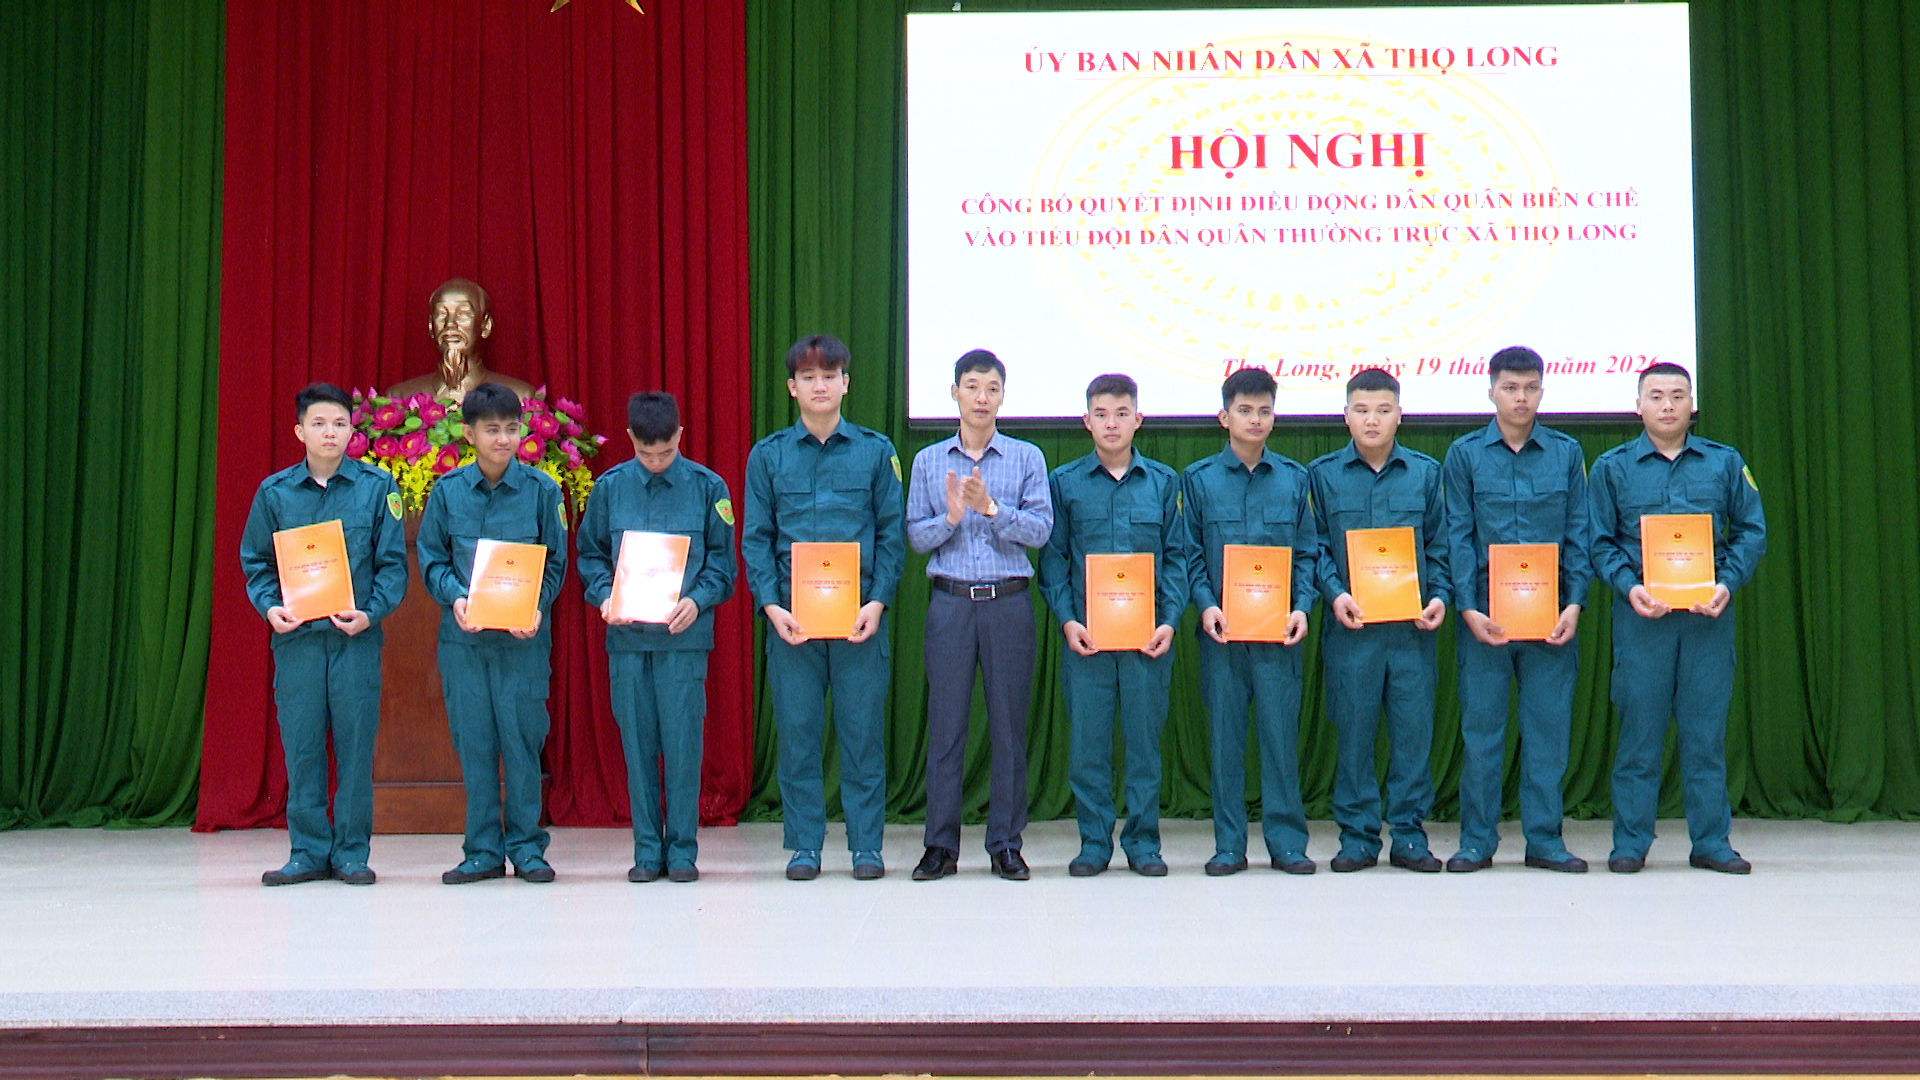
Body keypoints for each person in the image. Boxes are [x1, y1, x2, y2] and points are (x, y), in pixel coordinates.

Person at [1588, 362, 1765, 874]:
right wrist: (1631, 587)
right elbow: (1599, 542)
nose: (1667, 405)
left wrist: (1727, 583)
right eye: (1656, 396)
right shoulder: (1612, 468)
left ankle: (1711, 842)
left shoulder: (1725, 463)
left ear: (1693, 405)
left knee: (1705, 737)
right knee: (1639, 736)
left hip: (1707, 619)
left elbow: (1751, 532)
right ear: (1637, 406)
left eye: (1677, 395)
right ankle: (1630, 843)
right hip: (1643, 619)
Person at [742, 334, 905, 881]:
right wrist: (771, 606)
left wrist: (878, 602)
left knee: (862, 738)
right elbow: (756, 540)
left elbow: (891, 536)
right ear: (792, 387)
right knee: (798, 736)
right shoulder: (768, 456)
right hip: (794, 624)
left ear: (846, 383)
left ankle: (866, 847)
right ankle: (804, 846)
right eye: (808, 377)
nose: (820, 386)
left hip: (860, 621)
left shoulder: (876, 451)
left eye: (829, 376)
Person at [239, 383, 408, 887]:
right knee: (303, 747)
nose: (329, 433)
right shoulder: (274, 493)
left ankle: (352, 852)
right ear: (300, 432)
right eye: (318, 424)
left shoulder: (377, 488)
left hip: (354, 641)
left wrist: (370, 614)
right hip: (298, 643)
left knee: (355, 750)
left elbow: (393, 566)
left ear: (352, 430)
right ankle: (308, 851)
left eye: (339, 423)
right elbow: (256, 563)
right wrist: (270, 607)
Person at [1441, 346, 1593, 873]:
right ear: (1491, 392)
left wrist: (1574, 603)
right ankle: (1476, 842)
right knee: (1481, 736)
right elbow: (1457, 536)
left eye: (1530, 388)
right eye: (1510, 388)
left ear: (1542, 392)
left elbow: (1579, 532)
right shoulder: (1464, 454)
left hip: (1551, 620)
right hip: (1487, 620)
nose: (1520, 398)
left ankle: (1545, 840)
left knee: (1547, 735)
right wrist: (1467, 608)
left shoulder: (1566, 453)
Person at [904, 350, 1053, 882]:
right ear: (954, 394)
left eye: (992, 388)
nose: (981, 398)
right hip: (949, 603)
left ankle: (1006, 845)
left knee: (1009, 730)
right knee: (946, 728)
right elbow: (915, 536)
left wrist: (992, 509)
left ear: (1003, 396)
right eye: (971, 387)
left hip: (1008, 603)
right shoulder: (928, 461)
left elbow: (1041, 531)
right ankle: (940, 846)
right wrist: (950, 518)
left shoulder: (1027, 457)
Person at [576, 392, 736, 884]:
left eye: (666, 451)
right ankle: (647, 850)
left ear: (680, 436)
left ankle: (683, 850)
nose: (657, 461)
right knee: (637, 747)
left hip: (682, 643)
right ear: (630, 440)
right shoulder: (609, 489)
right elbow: (589, 555)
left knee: (684, 748)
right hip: (627, 642)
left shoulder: (708, 488)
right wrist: (603, 596)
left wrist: (699, 600)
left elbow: (723, 565)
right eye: (646, 453)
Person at [417, 382, 569, 884]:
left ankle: (527, 848)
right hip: (465, 642)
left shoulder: (543, 492)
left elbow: (555, 563)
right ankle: (482, 850)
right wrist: (456, 597)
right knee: (475, 745)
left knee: (522, 744)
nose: (503, 439)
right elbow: (432, 559)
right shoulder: (447, 492)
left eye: (511, 428)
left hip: (523, 643)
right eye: (492, 430)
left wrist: (537, 606)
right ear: (469, 434)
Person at [1039, 373, 1190, 877]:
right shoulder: (1064, 483)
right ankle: (1093, 843)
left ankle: (1144, 843)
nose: (1111, 424)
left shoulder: (1164, 483)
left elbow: (1176, 559)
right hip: (1088, 641)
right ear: (1086, 421)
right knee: (1089, 746)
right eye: (1101, 415)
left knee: (1145, 746)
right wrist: (1067, 621)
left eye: (1122, 414)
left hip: (1148, 641)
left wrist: (1169, 621)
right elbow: (1054, 562)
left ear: (1138, 420)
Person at [1308, 368, 1449, 873]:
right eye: (1362, 410)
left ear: (1399, 416)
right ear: (1345, 416)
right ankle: (1358, 836)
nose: (1373, 420)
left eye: (1384, 410)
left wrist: (1440, 597)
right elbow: (1314, 547)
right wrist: (1335, 593)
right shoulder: (1322, 475)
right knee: (1354, 733)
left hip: (1412, 631)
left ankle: (1409, 835)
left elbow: (1440, 545)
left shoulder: (1426, 474)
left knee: (1412, 735)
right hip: (1354, 630)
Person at [1181, 367, 1320, 876]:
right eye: (1244, 410)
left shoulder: (1294, 479)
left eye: (1264, 411)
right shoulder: (1198, 480)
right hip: (1222, 635)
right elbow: (1190, 553)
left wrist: (1302, 606)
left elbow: (1307, 554)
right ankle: (1229, 845)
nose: (1255, 420)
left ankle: (1287, 843)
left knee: (1281, 740)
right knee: (1226, 741)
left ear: (1274, 417)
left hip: (1278, 635)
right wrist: (1206, 604)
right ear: (1224, 417)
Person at [388, 278, 536, 404]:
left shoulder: (519, 396)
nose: (450, 324)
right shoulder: (400, 397)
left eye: (463, 314)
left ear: (485, 326)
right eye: (441, 314)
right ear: (431, 327)